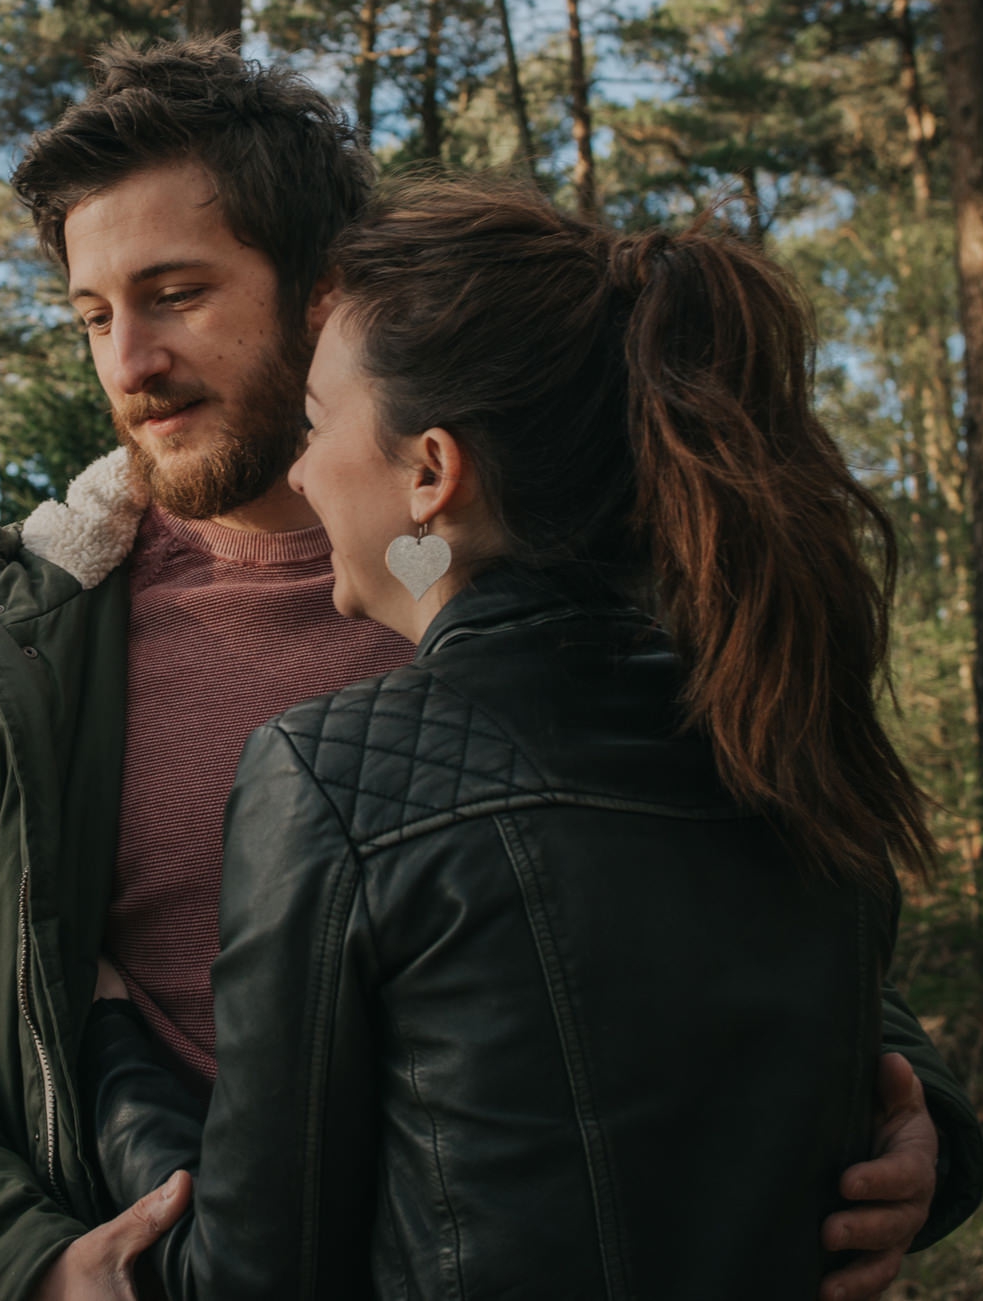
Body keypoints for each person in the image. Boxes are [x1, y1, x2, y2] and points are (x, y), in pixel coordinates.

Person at [0, 38, 983, 1301]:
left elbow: (746, 908)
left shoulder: (515, 590)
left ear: (322, 294)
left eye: (176, 293)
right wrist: (24, 1271)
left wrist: (921, 1128)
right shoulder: (22, 642)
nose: (127, 361)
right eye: (95, 314)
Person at [82, 174, 936, 1298]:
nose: (299, 467)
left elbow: (247, 1277)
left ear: (431, 471)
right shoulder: (774, 728)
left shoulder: (329, 773)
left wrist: (109, 1051)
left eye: (320, 422)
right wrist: (938, 1127)